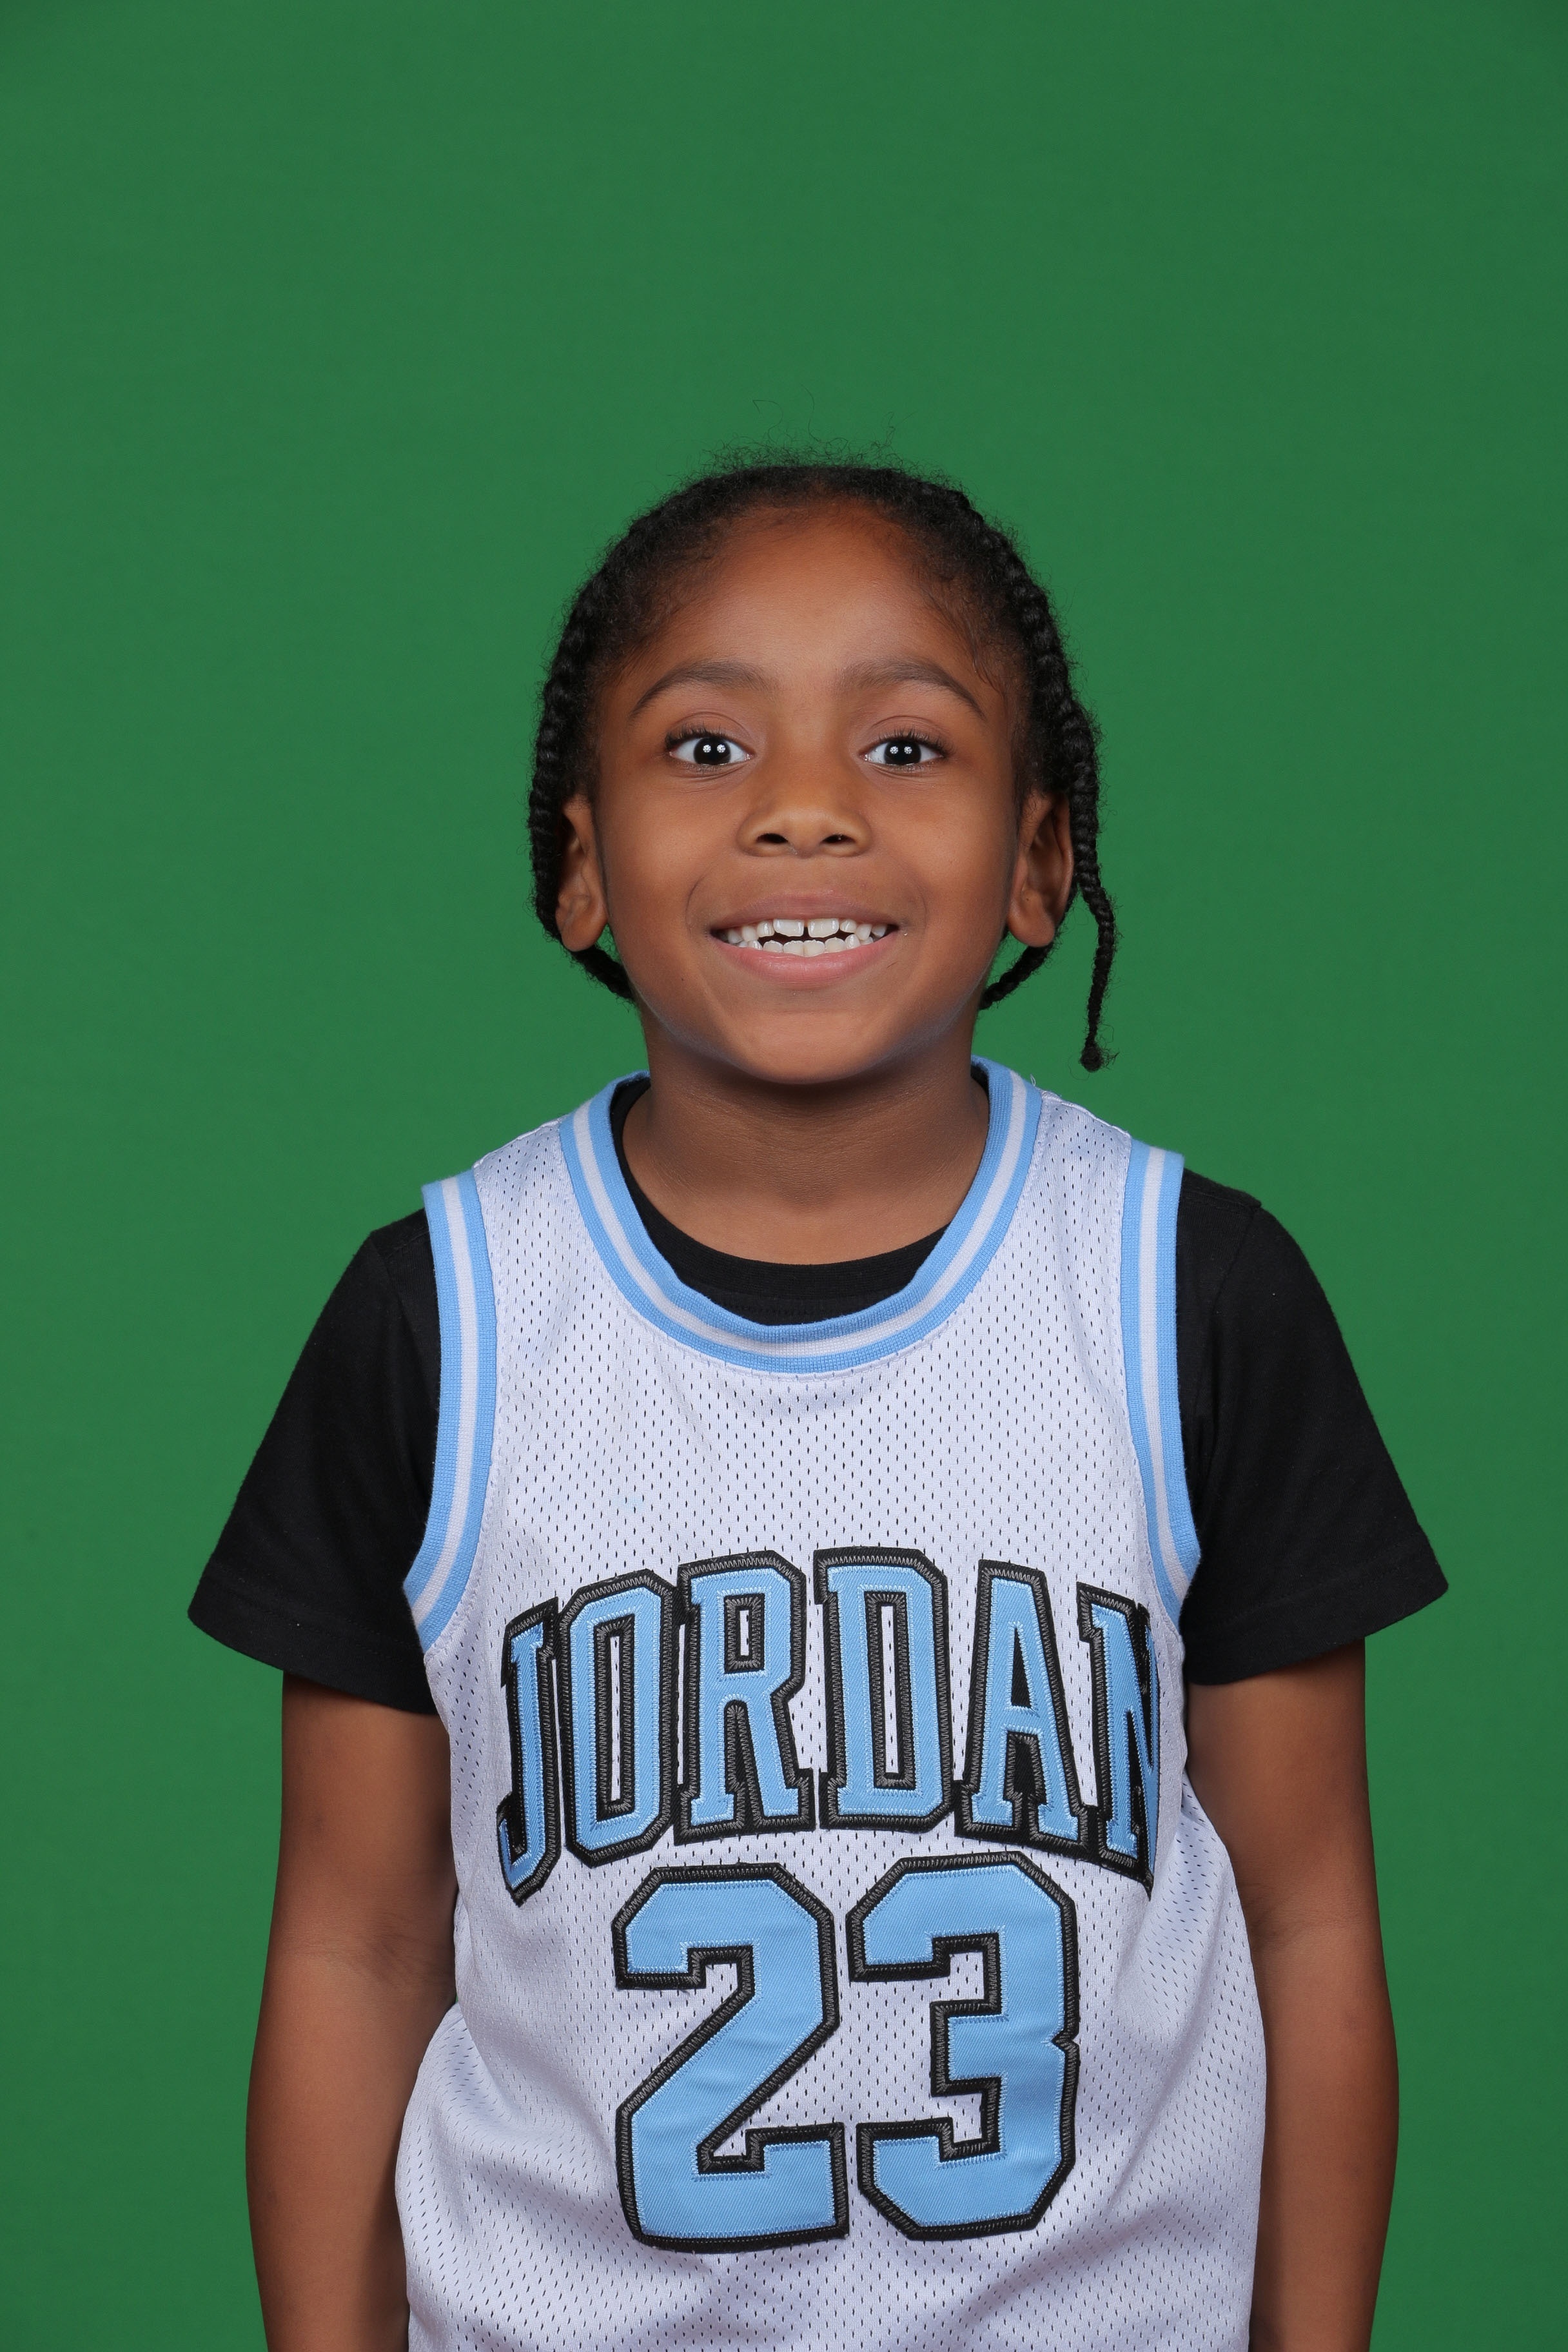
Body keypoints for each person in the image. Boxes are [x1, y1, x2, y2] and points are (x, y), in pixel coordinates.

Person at [191, 460, 1446, 2352]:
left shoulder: (1188, 1291)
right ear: (579, 863)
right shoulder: (444, 1317)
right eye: (705, 748)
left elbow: (1309, 1923)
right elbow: (356, 1952)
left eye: (905, 748)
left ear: (1041, 859)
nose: (803, 809)